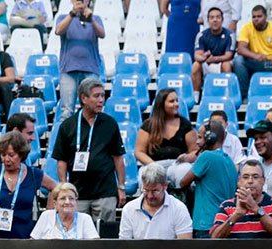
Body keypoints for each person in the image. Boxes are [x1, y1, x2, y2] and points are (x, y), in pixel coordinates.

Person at [52, 78, 126, 224]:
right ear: (84, 98)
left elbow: (118, 158)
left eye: (103, 96)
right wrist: (65, 189)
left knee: (104, 239)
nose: (101, 100)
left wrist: (121, 187)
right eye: (96, 96)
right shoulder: (67, 126)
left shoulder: (110, 123)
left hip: (105, 192)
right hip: (78, 193)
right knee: (78, 239)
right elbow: (62, 161)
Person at [0, 131, 56, 238]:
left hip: (23, 236)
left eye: (11, 155)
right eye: (3, 155)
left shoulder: (34, 174)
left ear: (21, 154)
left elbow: (55, 188)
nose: (6, 159)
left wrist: (47, 215)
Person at [179, 121, 239, 238]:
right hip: (225, 223)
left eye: (200, 138)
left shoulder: (207, 156)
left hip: (205, 224)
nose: (197, 142)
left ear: (210, 138)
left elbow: (183, 183)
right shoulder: (230, 162)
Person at [135, 88, 198, 189]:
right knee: (145, 174)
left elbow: (195, 151)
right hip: (154, 163)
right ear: (162, 104)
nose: (176, 104)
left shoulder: (185, 124)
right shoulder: (148, 125)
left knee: (184, 170)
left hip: (177, 164)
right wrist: (153, 165)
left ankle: (182, 199)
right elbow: (139, 152)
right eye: (172, 101)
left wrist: (187, 157)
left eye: (177, 100)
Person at [211, 159, 272, 238]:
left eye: (255, 177)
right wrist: (236, 215)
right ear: (239, 181)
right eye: (245, 177)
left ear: (263, 180)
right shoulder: (227, 205)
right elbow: (214, 238)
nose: (250, 181)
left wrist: (255, 209)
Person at [55, 0, 104, 121]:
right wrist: (72, 14)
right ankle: (66, 139)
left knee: (92, 109)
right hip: (68, 69)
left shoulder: (96, 18)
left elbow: (102, 34)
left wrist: (91, 19)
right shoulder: (63, 17)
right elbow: (58, 31)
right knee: (67, 110)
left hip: (90, 68)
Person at [233, 5, 272, 101]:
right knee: (238, 61)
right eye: (254, 17)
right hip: (255, 63)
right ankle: (245, 96)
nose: (256, 19)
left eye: (259, 16)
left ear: (266, 16)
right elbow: (240, 48)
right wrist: (255, 56)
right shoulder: (247, 28)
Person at [119, 163, 193, 239]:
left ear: (165, 186)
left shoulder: (179, 208)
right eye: (146, 190)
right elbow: (124, 245)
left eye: (155, 191)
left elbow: (185, 245)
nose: (150, 196)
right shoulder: (129, 209)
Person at [30, 183, 99, 239]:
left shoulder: (85, 218)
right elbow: (33, 244)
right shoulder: (46, 216)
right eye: (63, 198)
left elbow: (95, 246)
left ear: (76, 202)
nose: (67, 202)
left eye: (71, 198)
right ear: (55, 203)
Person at [191, 7, 235, 93]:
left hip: (222, 63)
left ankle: (226, 93)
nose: (215, 20)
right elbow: (197, 55)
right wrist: (203, 58)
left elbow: (228, 55)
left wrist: (214, 59)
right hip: (206, 63)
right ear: (208, 21)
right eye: (212, 17)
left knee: (226, 65)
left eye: (218, 17)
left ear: (222, 20)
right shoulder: (201, 35)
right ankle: (196, 95)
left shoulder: (230, 35)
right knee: (196, 65)